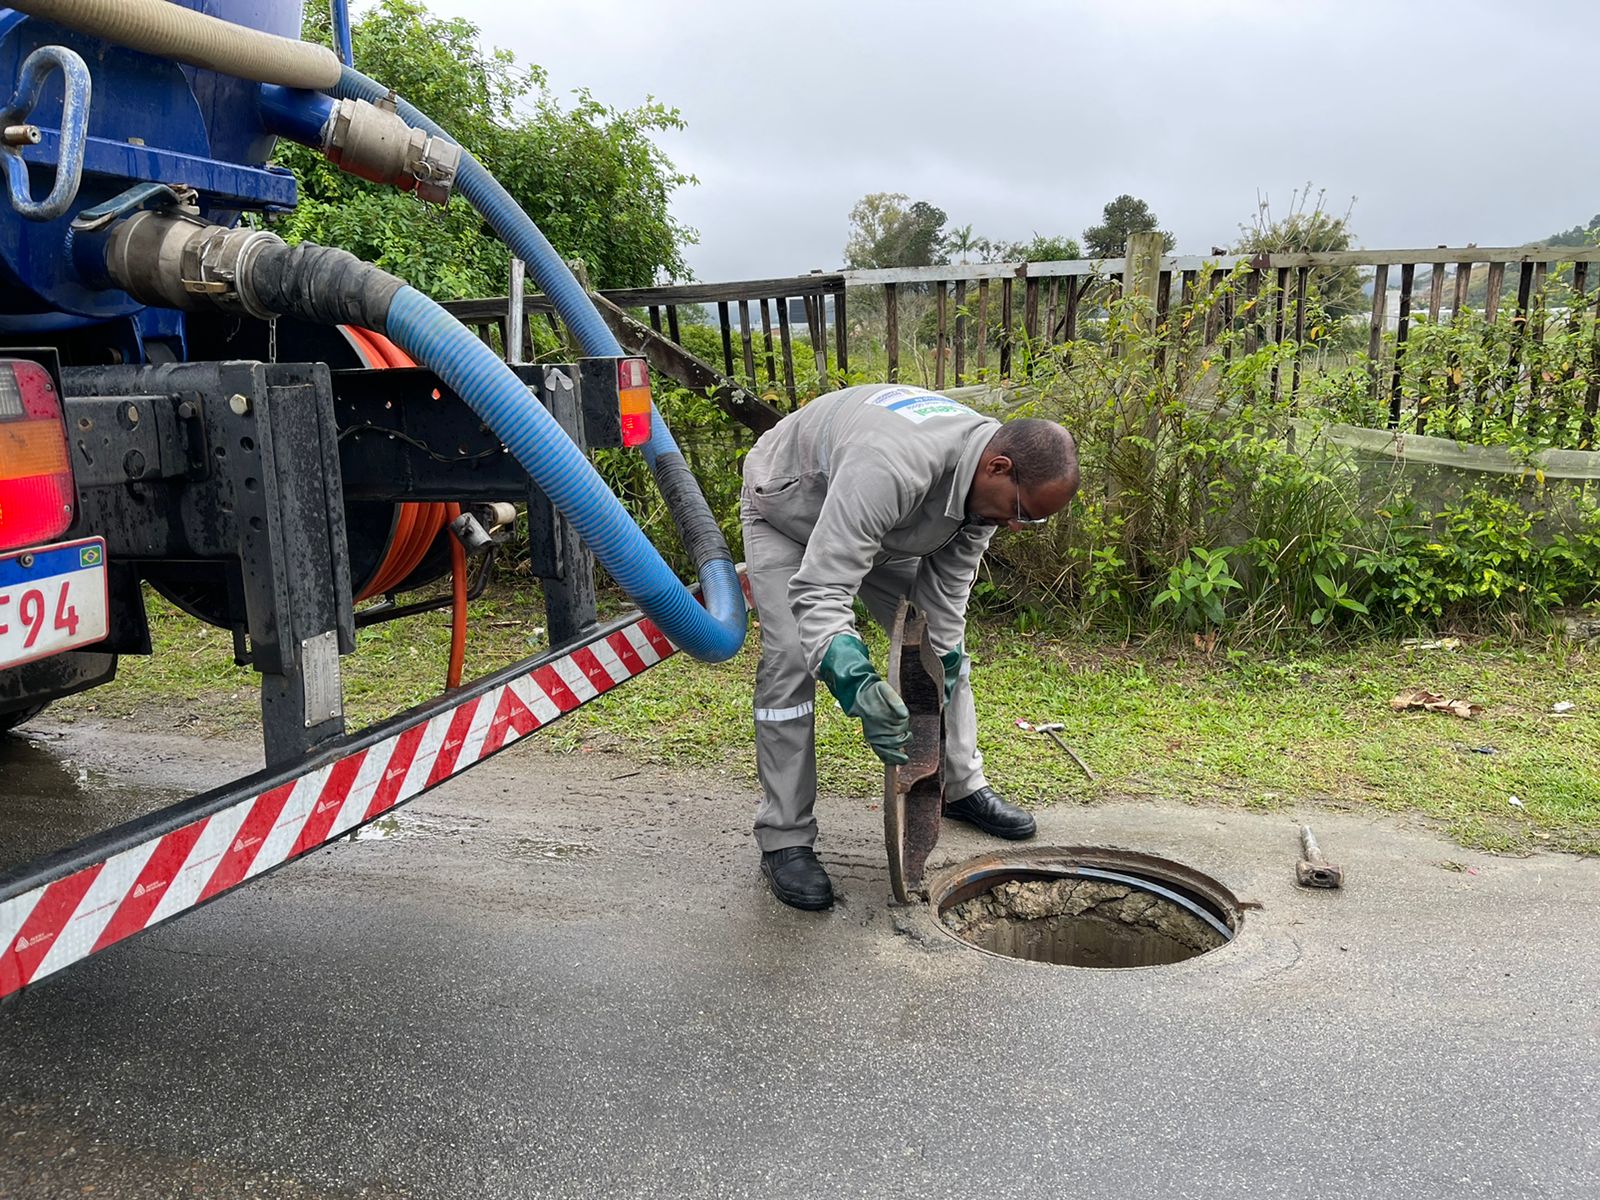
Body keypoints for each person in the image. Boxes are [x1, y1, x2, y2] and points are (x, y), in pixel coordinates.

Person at [740, 383, 1080, 910]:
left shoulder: (983, 495)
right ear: (999, 466)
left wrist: (936, 664)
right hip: (792, 514)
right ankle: (785, 837)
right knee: (789, 661)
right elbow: (822, 589)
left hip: (888, 526)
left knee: (946, 652)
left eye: (1029, 520)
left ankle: (958, 787)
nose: (1016, 525)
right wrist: (855, 680)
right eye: (1019, 510)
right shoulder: (891, 463)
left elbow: (941, 608)